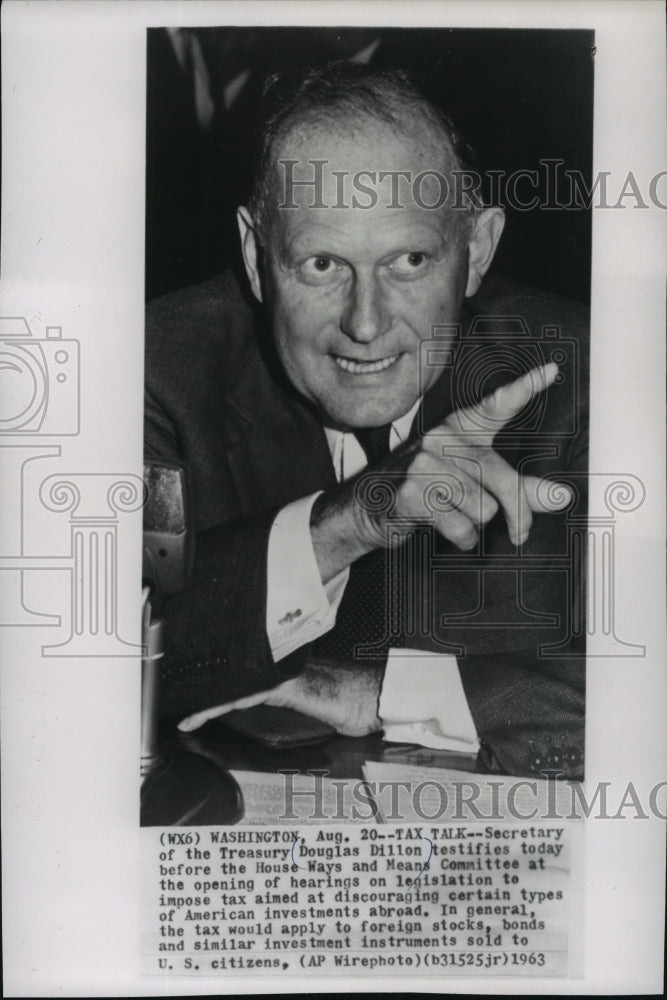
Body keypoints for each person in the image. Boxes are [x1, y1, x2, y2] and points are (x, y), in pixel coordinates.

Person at [145, 62, 588, 779]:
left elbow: (643, 689)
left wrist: (379, 694)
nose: (365, 322)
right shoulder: (156, 369)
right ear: (256, 258)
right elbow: (89, 656)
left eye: (409, 260)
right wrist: (350, 521)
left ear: (476, 251)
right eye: (322, 264)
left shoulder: (590, 374)